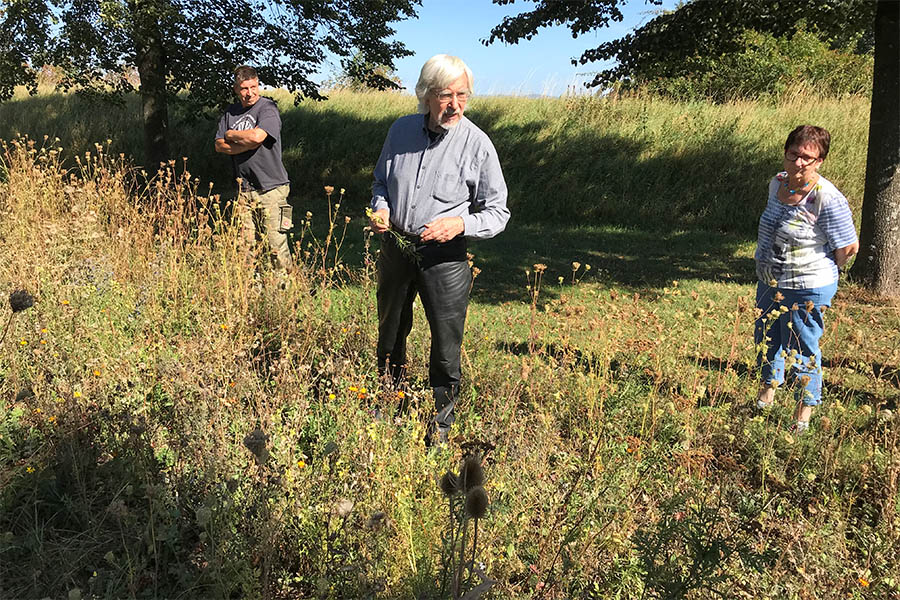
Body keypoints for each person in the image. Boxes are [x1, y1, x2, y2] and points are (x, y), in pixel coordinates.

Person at [369, 54, 510, 445]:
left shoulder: (477, 144)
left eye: (462, 95)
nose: (455, 105)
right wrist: (381, 208)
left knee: (446, 343)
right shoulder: (400, 132)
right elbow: (381, 181)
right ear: (426, 95)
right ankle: (386, 403)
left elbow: (498, 212)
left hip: (445, 258)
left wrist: (459, 224)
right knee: (391, 330)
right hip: (397, 246)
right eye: (446, 95)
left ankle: (441, 423)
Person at [754, 125, 859, 433]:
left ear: (820, 161)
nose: (799, 163)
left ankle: (802, 418)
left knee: (802, 349)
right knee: (767, 339)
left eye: (808, 158)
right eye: (794, 154)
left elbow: (849, 246)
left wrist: (821, 269)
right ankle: (764, 399)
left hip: (808, 287)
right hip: (771, 280)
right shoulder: (777, 183)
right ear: (785, 154)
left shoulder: (827, 197)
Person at [215, 65, 292, 269]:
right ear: (236, 89)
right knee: (245, 247)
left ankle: (285, 294)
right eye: (244, 88)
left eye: (254, 87)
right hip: (244, 190)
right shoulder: (230, 112)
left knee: (275, 246)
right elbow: (219, 145)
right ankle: (253, 293)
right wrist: (244, 141)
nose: (250, 93)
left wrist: (231, 135)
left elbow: (258, 137)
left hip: (271, 188)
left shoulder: (267, 109)